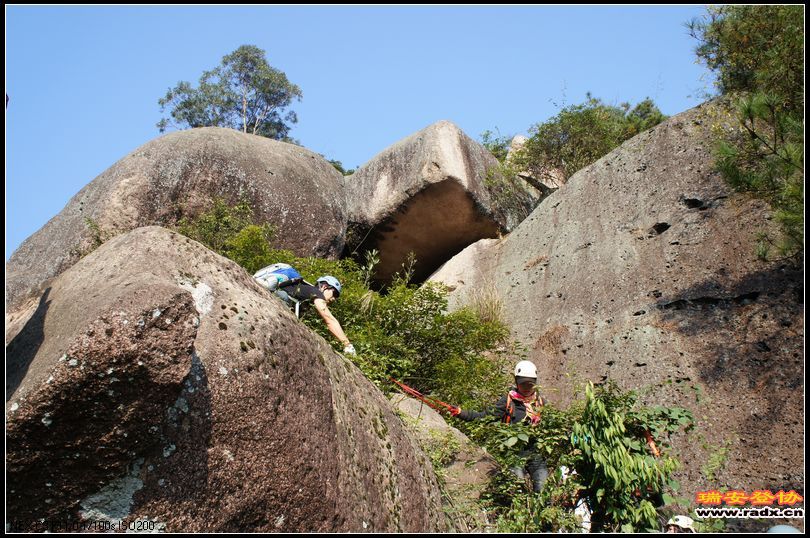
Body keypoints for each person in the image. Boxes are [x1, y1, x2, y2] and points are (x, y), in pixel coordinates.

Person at [452, 360, 549, 492]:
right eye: (523, 384)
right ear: (516, 382)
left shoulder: (541, 403)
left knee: (544, 490)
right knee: (516, 487)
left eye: (529, 384)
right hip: (513, 454)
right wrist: (461, 413)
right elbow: (484, 416)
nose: (526, 388)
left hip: (536, 454)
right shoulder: (508, 401)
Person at [255, 266, 356, 356]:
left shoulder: (305, 295)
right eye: (334, 294)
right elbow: (329, 319)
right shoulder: (316, 292)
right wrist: (347, 344)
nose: (334, 299)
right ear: (325, 287)